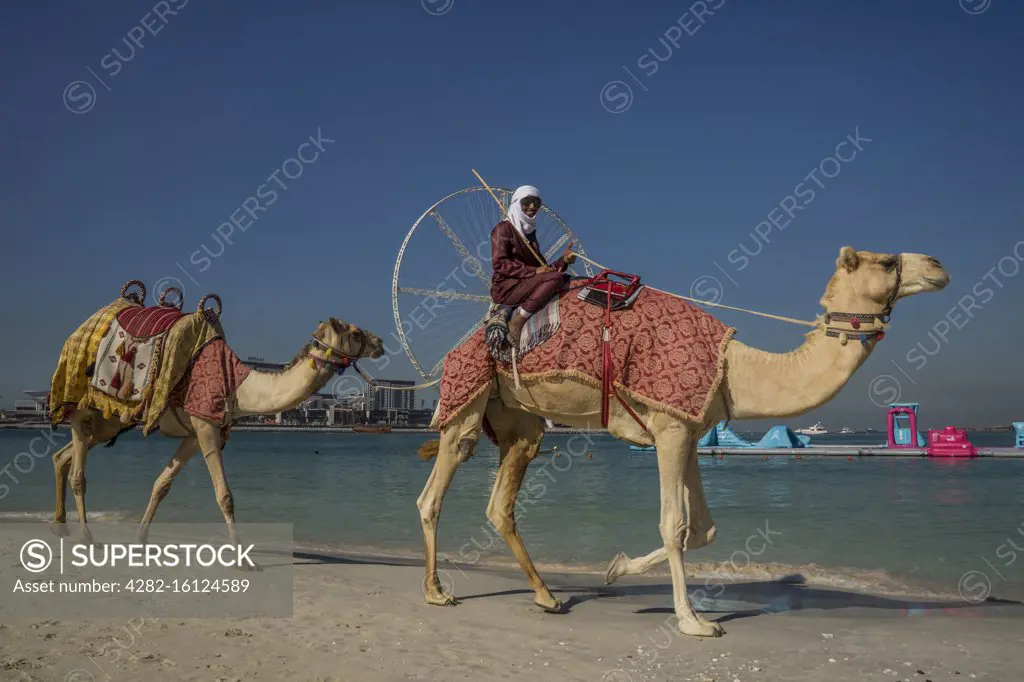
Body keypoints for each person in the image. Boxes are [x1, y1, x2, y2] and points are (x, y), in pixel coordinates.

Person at [490, 185, 576, 343]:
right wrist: (534, 271)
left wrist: (564, 260)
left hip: (528, 282)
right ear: (517, 203)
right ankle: (519, 320)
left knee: (568, 280)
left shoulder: (530, 234)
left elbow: (544, 269)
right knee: (556, 279)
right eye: (527, 202)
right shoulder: (503, 229)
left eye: (536, 203)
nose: (532, 207)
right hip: (508, 288)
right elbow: (500, 264)